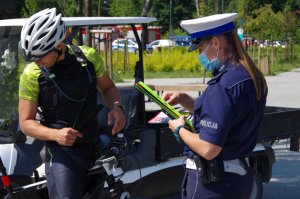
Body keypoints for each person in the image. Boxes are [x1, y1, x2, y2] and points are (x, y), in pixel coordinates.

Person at [18, 8, 126, 199]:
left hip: (96, 148)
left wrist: (117, 107)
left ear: (58, 45)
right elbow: (26, 122)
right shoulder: (32, 74)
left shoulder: (88, 57)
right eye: (33, 57)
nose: (37, 62)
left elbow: (108, 88)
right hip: (62, 155)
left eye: (41, 56)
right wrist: (56, 134)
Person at [163, 13, 268, 199]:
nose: (199, 54)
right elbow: (225, 115)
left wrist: (179, 128)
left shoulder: (221, 86)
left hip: (213, 185)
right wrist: (184, 99)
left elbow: (208, 148)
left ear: (216, 43)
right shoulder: (249, 76)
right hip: (237, 180)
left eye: (200, 48)